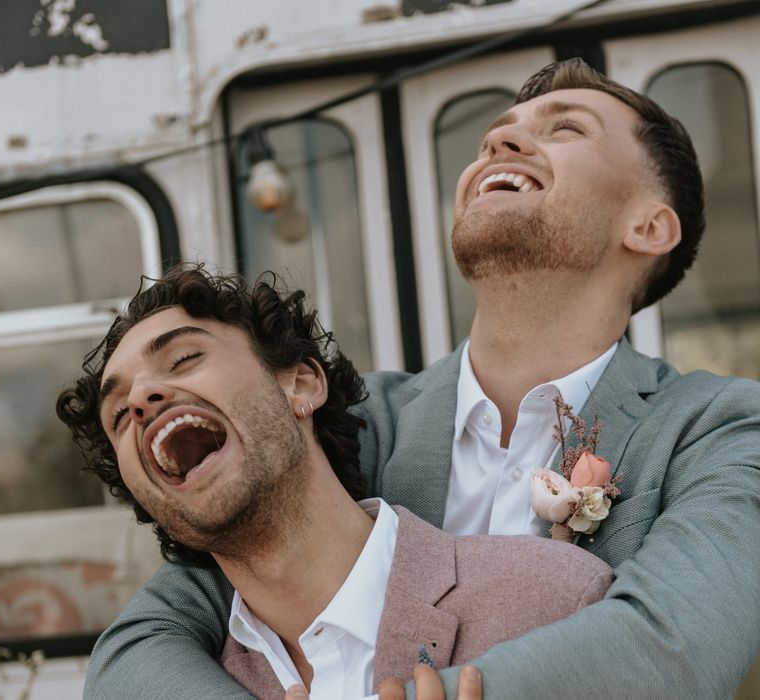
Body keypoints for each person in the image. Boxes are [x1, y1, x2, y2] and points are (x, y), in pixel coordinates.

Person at [77, 58, 760, 699]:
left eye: (564, 129)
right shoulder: (359, 424)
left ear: (649, 226)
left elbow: (674, 644)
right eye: (494, 138)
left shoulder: (723, 428)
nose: (501, 146)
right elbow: (143, 643)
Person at [57, 268, 612, 700]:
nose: (140, 400)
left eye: (184, 358)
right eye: (118, 418)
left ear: (301, 383)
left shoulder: (560, 600)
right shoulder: (172, 681)